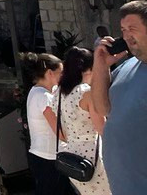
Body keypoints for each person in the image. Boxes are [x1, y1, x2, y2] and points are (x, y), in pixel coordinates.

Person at [92, 0, 147, 195]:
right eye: (123, 29)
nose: (126, 35)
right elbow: (102, 109)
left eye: (132, 29)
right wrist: (101, 65)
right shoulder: (127, 67)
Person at [56, 47, 110, 195]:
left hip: (73, 157)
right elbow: (102, 128)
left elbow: (61, 130)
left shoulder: (59, 93)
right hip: (94, 156)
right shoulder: (86, 93)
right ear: (89, 68)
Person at [23, 53, 68, 195]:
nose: (63, 76)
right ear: (50, 73)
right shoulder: (44, 97)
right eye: (60, 73)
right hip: (49, 158)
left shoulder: (35, 91)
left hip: (42, 155)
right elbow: (60, 132)